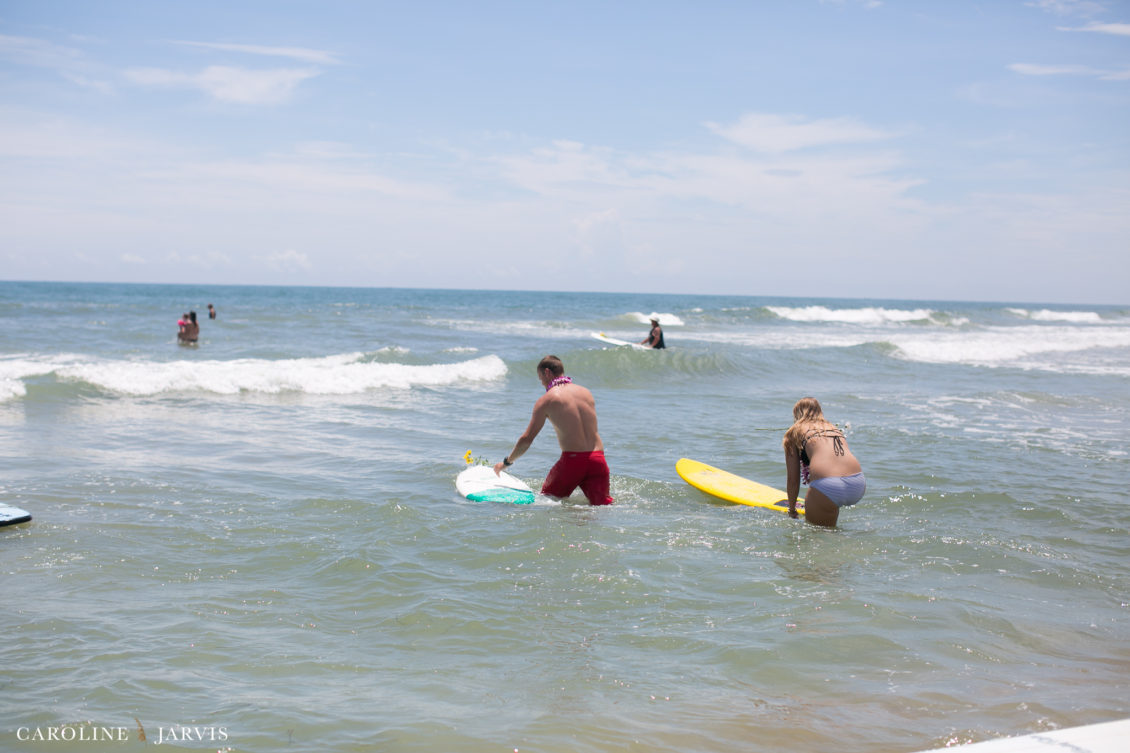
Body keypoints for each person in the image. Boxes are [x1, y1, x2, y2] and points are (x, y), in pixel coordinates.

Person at [494, 355, 613, 505]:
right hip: (598, 460)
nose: (542, 383)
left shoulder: (547, 400)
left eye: (540, 379)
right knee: (601, 508)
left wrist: (506, 463)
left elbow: (527, 439)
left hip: (573, 461)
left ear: (547, 373)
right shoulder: (586, 393)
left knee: (546, 502)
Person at [783, 397, 865, 527]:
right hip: (857, 483)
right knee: (830, 526)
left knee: (817, 534)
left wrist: (792, 510)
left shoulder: (794, 432)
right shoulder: (833, 428)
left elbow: (793, 480)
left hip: (828, 486)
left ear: (797, 414)